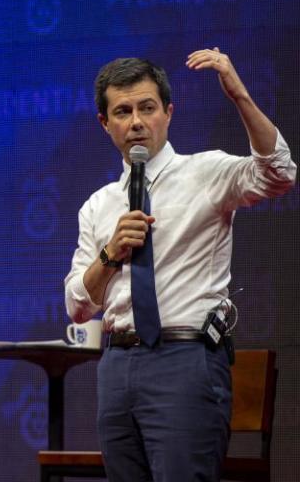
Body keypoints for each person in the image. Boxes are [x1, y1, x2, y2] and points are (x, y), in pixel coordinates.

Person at [65, 49, 296, 481]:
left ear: (168, 113)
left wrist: (240, 95)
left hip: (185, 358)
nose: (136, 121)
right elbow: (77, 306)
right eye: (123, 111)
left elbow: (279, 174)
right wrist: (110, 255)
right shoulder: (98, 206)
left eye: (147, 108)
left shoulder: (205, 173)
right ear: (105, 123)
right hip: (117, 367)